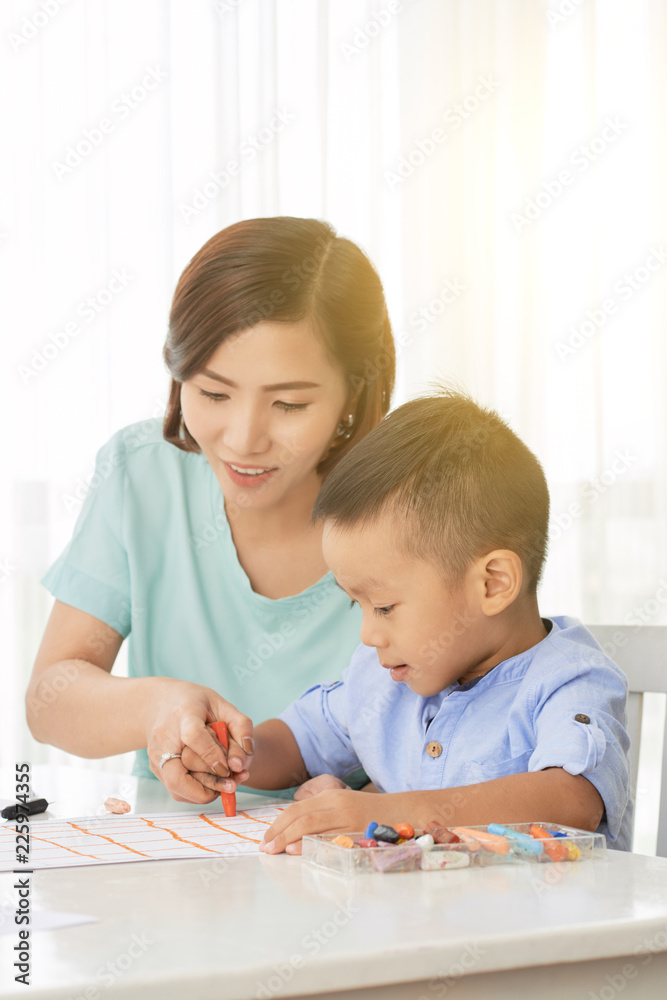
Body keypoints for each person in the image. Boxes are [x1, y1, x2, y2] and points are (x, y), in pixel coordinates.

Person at [26, 216, 395, 804]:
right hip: (170, 858)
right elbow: (50, 697)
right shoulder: (142, 474)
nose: (244, 439)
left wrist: (379, 799)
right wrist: (157, 706)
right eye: (213, 393)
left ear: (354, 390)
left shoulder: (409, 508)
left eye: (290, 403)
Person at [182, 390, 631, 853]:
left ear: (493, 583)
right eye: (355, 604)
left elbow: (570, 800)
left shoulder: (569, 681)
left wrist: (385, 810)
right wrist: (229, 758)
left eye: (384, 607)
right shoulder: (385, 681)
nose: (367, 634)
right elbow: (300, 741)